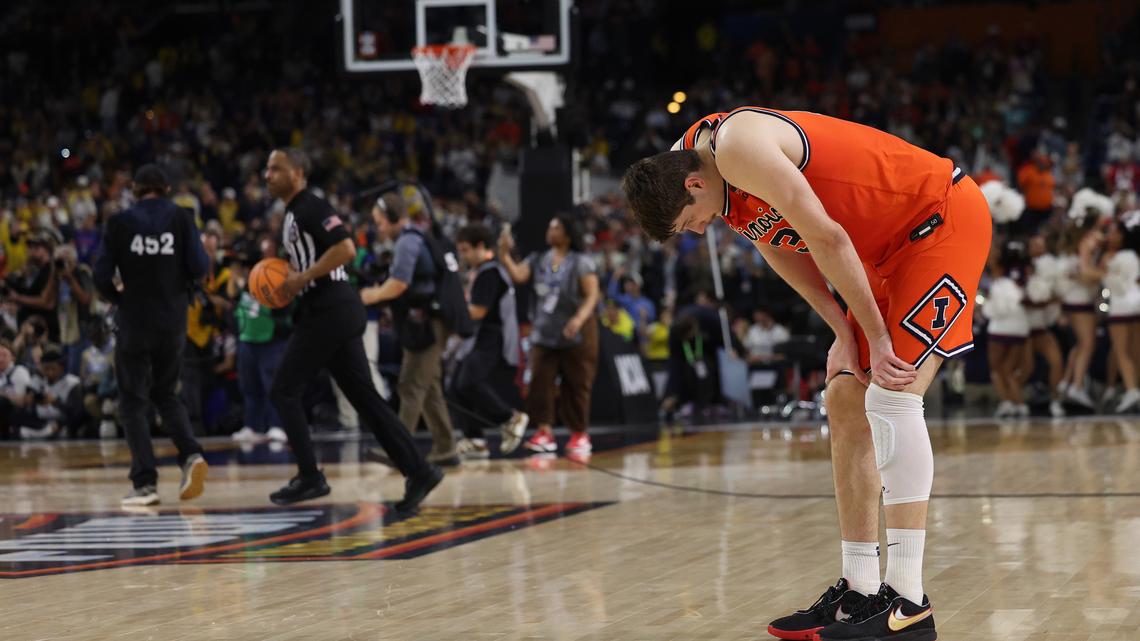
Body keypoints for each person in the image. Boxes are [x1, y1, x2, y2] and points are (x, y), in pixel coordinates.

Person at [623, 106, 992, 641]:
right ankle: (860, 588)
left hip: (937, 220)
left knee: (891, 395)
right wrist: (843, 333)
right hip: (880, 250)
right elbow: (775, 242)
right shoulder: (692, 161)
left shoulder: (737, 147)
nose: (697, 230)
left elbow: (828, 238)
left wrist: (878, 338)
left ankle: (909, 601)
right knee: (844, 399)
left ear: (695, 185)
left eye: (689, 221)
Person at [263, 148, 442, 510]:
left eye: (276, 168)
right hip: (332, 309)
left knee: (284, 390)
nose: (267, 175)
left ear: (298, 173)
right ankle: (419, 470)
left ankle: (310, 476)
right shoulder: (293, 213)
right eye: (266, 169)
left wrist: (304, 279)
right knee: (366, 399)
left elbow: (345, 248)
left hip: (330, 309)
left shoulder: (311, 206)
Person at [92, 164, 210, 507]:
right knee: (166, 394)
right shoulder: (182, 218)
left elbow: (100, 278)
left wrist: (119, 299)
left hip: (134, 321)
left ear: (135, 189)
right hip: (173, 322)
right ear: (167, 190)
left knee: (132, 402)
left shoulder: (118, 221)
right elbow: (201, 268)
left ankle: (145, 483)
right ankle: (190, 455)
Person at [360, 192, 460, 465]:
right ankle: (446, 447)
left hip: (428, 322)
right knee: (429, 387)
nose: (378, 229)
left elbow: (399, 284)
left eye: (380, 222)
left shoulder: (407, 241)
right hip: (429, 319)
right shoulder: (414, 237)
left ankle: (399, 450)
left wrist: (371, 295)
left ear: (393, 219)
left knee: (410, 384)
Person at [500, 214, 601, 457]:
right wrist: (504, 255)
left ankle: (579, 433)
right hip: (545, 331)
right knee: (539, 383)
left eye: (555, 227)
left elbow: (592, 295)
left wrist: (578, 319)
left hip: (576, 332)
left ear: (567, 233)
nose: (550, 231)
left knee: (576, 384)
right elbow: (518, 275)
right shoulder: (539, 259)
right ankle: (544, 431)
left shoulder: (581, 262)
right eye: (549, 226)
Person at [450, 224, 528, 458]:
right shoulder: (480, 272)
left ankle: (510, 418)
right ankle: (475, 439)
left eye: (465, 250)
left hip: (493, 335)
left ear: (481, 247)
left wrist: (449, 310)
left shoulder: (489, 272)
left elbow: (478, 312)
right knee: (454, 385)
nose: (462, 256)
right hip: (479, 336)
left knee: (468, 380)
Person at [229, 254, 290, 443]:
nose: (244, 270)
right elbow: (233, 299)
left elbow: (284, 313)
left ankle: (277, 425)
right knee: (249, 387)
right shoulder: (243, 290)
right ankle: (252, 425)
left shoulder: (273, 286)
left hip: (269, 343)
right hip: (247, 341)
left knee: (272, 386)